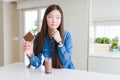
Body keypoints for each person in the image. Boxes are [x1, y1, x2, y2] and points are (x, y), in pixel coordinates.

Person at [24, 4, 75, 69]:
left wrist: (59, 42)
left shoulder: (67, 35)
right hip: (49, 72)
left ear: (61, 19)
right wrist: (30, 54)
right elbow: (37, 64)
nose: (54, 21)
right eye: (50, 17)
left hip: (67, 72)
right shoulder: (39, 36)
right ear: (46, 18)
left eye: (58, 17)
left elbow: (66, 63)